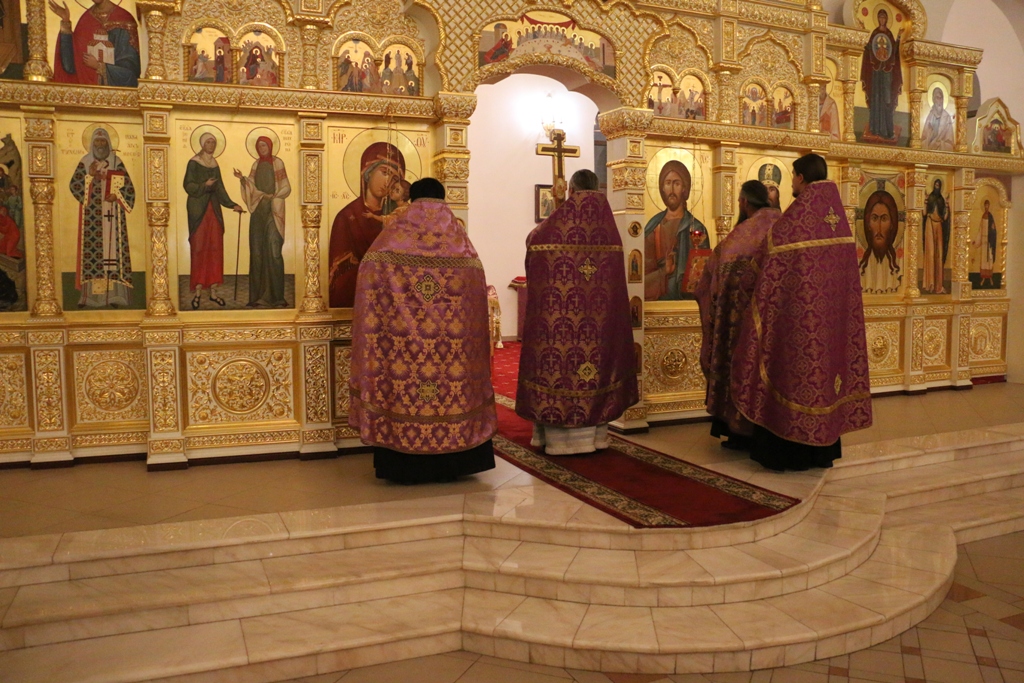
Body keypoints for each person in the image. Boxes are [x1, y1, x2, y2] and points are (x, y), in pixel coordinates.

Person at [349, 177, 497, 483]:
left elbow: (368, 272)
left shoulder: (392, 239)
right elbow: (475, 298)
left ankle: (405, 465)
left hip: (406, 348)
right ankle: (457, 461)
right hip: (452, 349)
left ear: (411, 199)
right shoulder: (462, 247)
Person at [730, 153, 872, 471]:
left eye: (794, 176)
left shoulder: (795, 221)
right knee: (824, 382)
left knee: (793, 380)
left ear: (801, 178)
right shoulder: (838, 220)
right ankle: (821, 452)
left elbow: (764, 266)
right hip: (832, 327)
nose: (792, 182)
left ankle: (788, 454)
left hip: (796, 326)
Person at [516, 169, 638, 455]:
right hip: (599, 325)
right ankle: (596, 438)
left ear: (571, 190)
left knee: (560, 367)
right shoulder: (609, 230)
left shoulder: (552, 230)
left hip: (560, 325)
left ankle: (558, 442)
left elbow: (533, 242)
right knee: (595, 369)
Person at [694, 180, 780, 451]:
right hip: (777, 326)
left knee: (740, 370)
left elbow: (708, 281)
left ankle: (740, 431)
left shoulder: (738, 237)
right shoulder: (784, 226)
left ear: (743, 202)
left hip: (739, 327)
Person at [328, 142, 405, 307]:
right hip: (359, 301)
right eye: (384, 172)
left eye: (394, 178)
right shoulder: (346, 217)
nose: (388, 182)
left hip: (393, 303)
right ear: (368, 172)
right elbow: (340, 277)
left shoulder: (399, 218)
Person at [70, 127, 135, 308]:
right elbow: (75, 186)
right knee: (93, 255)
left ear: (108, 143)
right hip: (92, 219)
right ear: (92, 143)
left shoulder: (116, 162)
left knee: (114, 254)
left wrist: (117, 196)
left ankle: (116, 296)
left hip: (114, 216)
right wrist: (89, 176)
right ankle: (90, 298)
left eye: (103, 141)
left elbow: (129, 188)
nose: (100, 145)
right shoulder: (85, 162)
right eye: (97, 141)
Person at [183, 132, 245, 309]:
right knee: (199, 248)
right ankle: (197, 292)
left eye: (214, 142)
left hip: (214, 211)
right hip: (198, 211)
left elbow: (220, 188)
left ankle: (213, 292)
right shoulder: (194, 162)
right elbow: (188, 185)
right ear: (202, 144)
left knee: (215, 248)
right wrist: (204, 185)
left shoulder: (215, 164)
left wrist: (232, 204)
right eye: (209, 142)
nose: (212, 145)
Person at [234, 136, 291, 308]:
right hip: (258, 211)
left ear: (270, 146)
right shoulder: (255, 164)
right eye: (259, 146)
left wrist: (274, 196)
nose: (262, 148)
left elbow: (286, 186)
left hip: (273, 211)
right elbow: (251, 186)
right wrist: (242, 179)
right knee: (257, 252)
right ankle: (257, 297)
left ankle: (277, 298)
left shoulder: (278, 163)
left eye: (264, 145)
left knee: (273, 251)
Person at [644, 160, 709, 300]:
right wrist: (664, 271)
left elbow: (703, 273)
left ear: (684, 188)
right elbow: (640, 278)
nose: (672, 190)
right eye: (668, 183)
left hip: (688, 302)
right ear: (662, 188)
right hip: (656, 303)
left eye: (677, 184)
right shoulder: (653, 227)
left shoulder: (696, 228)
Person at [48, 0, 140, 87]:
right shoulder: (85, 20)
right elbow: (72, 65)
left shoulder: (124, 19)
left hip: (114, 94)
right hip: (86, 91)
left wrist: (99, 66)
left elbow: (131, 73)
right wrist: (65, 21)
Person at [860, 8, 903, 142]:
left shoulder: (889, 34)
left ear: (887, 19)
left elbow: (894, 51)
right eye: (880, 17)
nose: (882, 19)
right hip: (876, 72)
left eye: (884, 17)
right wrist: (862, 32)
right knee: (876, 98)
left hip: (887, 72)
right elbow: (869, 48)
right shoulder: (875, 33)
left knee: (887, 99)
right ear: (878, 19)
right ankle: (875, 128)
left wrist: (899, 37)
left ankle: (887, 130)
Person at [858, 188, 902, 294]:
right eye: (874, 218)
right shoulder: (861, 259)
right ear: (868, 224)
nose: (879, 227)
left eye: (884, 219)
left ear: (892, 224)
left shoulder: (898, 259)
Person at [922, 178, 950, 294]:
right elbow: (924, 213)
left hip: (939, 225)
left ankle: (939, 286)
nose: (937, 186)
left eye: (939, 185)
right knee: (930, 253)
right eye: (936, 184)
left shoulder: (941, 200)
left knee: (939, 254)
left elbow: (945, 218)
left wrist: (947, 205)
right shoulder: (930, 198)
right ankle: (930, 284)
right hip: (929, 224)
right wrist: (925, 201)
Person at [922, 87, 955, 151]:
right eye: (937, 98)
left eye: (941, 98)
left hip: (942, 153)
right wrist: (929, 140)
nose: (940, 101)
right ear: (933, 100)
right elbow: (923, 140)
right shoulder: (930, 117)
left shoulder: (947, 117)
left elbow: (950, 144)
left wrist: (939, 144)